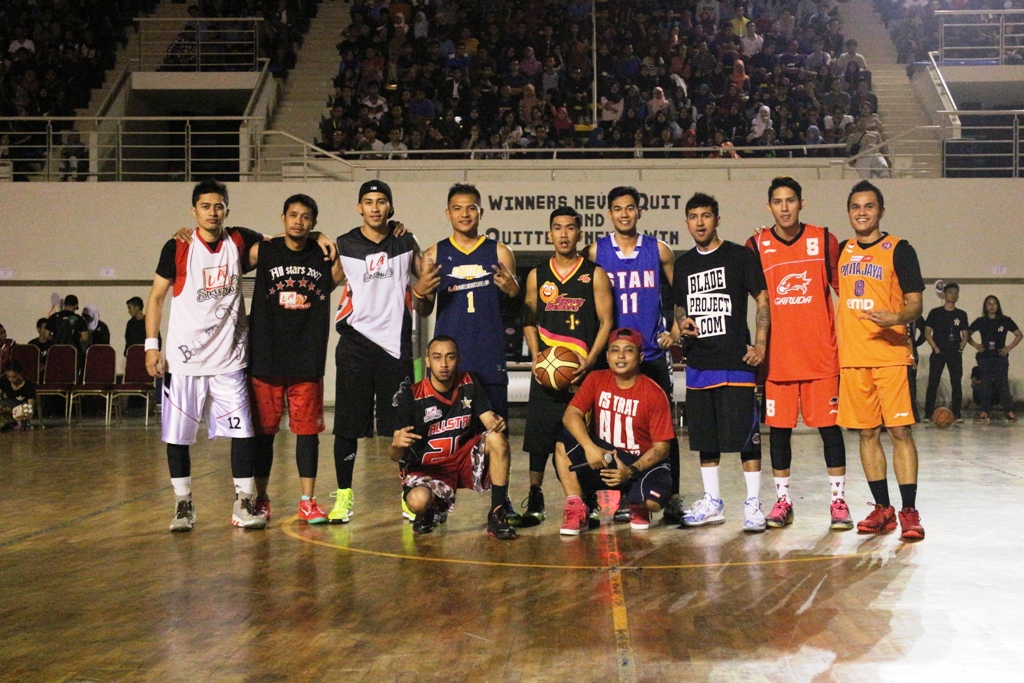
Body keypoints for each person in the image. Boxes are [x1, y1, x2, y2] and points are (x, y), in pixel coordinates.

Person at [144, 179, 268, 532]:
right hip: (184, 362)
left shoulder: (240, 240)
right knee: (177, 437)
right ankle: (183, 504)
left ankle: (244, 502)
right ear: (193, 211)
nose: (212, 212)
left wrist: (318, 236)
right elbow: (156, 298)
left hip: (229, 361)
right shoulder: (178, 246)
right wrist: (151, 346)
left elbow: (284, 245)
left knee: (243, 433)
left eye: (218, 206)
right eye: (205, 206)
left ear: (227, 210)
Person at [745, 177, 852, 530]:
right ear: (769, 207)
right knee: (779, 433)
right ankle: (783, 501)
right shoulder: (756, 245)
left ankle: (838, 501)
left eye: (790, 200)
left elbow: (846, 292)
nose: (784, 207)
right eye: (778, 201)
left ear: (802, 203)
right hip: (779, 360)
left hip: (822, 358)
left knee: (830, 431)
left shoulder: (824, 240)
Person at [416, 183, 521, 522]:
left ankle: (500, 504)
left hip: (488, 358)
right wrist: (419, 292)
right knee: (443, 437)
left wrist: (513, 291)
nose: (464, 214)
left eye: (471, 207)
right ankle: (436, 501)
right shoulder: (434, 254)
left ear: (480, 212)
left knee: (497, 436)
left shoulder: (499, 252)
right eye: (458, 208)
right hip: (449, 366)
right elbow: (423, 308)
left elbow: (515, 305)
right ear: (448, 213)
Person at [672, 192, 771, 532]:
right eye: (693, 217)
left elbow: (762, 299)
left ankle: (753, 503)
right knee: (705, 438)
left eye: (705, 216)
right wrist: (682, 324)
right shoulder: (684, 264)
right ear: (687, 222)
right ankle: (713, 501)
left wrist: (761, 345)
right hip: (700, 362)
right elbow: (679, 307)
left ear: (717, 220)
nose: (699, 222)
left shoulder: (739, 256)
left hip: (736, 361)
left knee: (747, 438)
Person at [331, 180, 428, 524]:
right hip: (355, 345)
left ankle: (408, 493)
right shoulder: (344, 244)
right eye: (369, 202)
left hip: (394, 346)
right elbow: (325, 279)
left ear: (390, 207)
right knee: (347, 425)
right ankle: (344, 495)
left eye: (381, 201)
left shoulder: (404, 240)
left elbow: (425, 280)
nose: (375, 207)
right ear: (359, 207)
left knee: (403, 425)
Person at [585, 186, 682, 524]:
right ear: (609, 214)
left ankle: (671, 495)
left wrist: (675, 331)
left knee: (663, 430)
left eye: (630, 208)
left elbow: (680, 293)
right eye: (617, 209)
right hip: (612, 355)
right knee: (610, 426)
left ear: (639, 211)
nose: (624, 214)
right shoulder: (596, 251)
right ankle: (615, 496)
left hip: (650, 353)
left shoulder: (659, 249)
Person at [836, 180, 926, 541]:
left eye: (869, 206)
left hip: (890, 356)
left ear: (881, 211)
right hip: (853, 358)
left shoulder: (900, 249)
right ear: (849, 212)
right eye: (856, 207)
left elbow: (915, 303)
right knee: (867, 433)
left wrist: (896, 317)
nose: (862, 212)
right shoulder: (840, 251)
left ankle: (909, 511)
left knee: (900, 432)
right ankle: (882, 508)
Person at [248, 194, 345, 525]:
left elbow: (342, 269)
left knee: (307, 434)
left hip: (306, 357)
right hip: (266, 357)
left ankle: (307, 501)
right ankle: (261, 499)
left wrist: (321, 238)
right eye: (293, 215)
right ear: (282, 218)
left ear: (313, 222)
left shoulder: (324, 254)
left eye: (306, 217)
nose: (298, 221)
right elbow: (228, 245)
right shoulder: (266, 250)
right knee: (264, 434)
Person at [519, 207, 614, 526]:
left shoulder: (594, 274)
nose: (564, 234)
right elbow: (528, 320)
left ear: (579, 233)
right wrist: (536, 356)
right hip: (547, 371)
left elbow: (606, 321)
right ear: (550, 234)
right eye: (557, 228)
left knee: (584, 438)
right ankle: (535, 496)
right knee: (538, 440)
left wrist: (591, 360)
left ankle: (588, 496)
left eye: (570, 228)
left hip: (582, 373)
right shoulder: (537, 275)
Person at [390, 335, 517, 540]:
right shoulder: (412, 396)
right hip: (429, 468)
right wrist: (396, 445)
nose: (444, 364)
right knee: (417, 502)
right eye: (437, 357)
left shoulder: (468, 382)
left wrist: (497, 423)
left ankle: (497, 512)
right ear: (428, 360)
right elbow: (394, 455)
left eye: (450, 357)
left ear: (458, 359)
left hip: (461, 459)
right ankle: (433, 507)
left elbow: (489, 422)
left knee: (498, 439)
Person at [556, 328, 676, 534]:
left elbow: (662, 448)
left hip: (639, 462)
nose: (621, 356)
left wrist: (630, 471)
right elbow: (570, 415)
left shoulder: (654, 392)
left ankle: (637, 503)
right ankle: (577, 508)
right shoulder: (596, 378)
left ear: (640, 357)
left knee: (653, 502)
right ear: (607, 357)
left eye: (628, 350)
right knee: (563, 442)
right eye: (615, 350)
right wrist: (590, 448)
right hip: (605, 457)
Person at [968, 295, 1021, 422]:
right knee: (985, 385)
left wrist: (1009, 347)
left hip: (1000, 357)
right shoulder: (980, 321)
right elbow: (967, 335)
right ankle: (985, 411)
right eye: (989, 303)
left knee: (1003, 384)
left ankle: (1009, 411)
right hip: (985, 357)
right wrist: (976, 345)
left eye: (994, 303)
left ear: (998, 306)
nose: (992, 306)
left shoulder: (1005, 320)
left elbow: (1019, 334)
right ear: (985, 306)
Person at [923, 282, 968, 423]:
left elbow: (965, 335)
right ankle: (928, 414)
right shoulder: (935, 312)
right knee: (933, 383)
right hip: (938, 352)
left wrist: (960, 348)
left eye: (956, 293)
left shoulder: (961, 314)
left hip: (955, 353)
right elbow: (927, 332)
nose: (953, 295)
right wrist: (935, 348)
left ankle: (957, 413)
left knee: (956, 383)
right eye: (950, 292)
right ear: (944, 294)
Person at [0, 360, 35, 431]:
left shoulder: (28, 386)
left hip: (20, 409)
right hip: (7, 407)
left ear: (20, 373)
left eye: (14, 377)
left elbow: (30, 408)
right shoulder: (4, 381)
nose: (11, 379)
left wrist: (26, 415)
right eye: (8, 377)